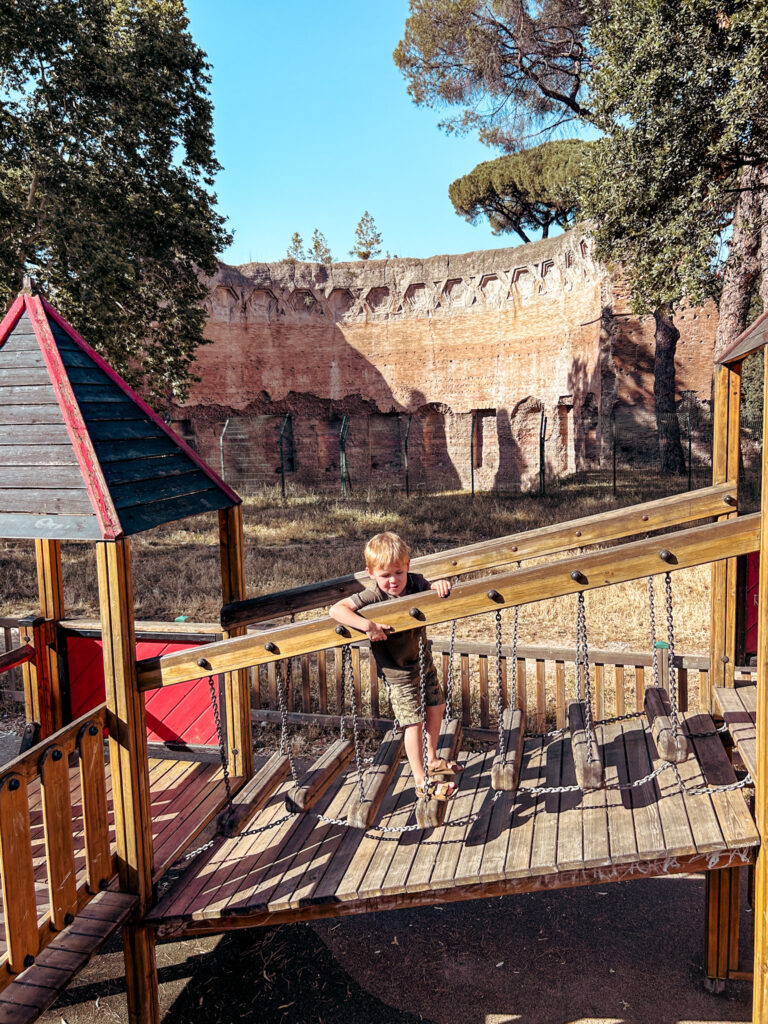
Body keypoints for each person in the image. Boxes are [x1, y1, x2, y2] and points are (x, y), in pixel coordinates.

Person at [329, 531, 463, 801]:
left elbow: (434, 588)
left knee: (436, 706)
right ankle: (421, 779)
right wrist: (367, 625)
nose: (393, 581)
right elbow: (337, 610)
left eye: (398, 573)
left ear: (408, 567)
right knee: (412, 723)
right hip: (398, 673)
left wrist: (440, 584)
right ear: (371, 574)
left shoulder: (415, 583)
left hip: (422, 661)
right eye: (385, 575)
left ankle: (433, 758)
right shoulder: (373, 595)